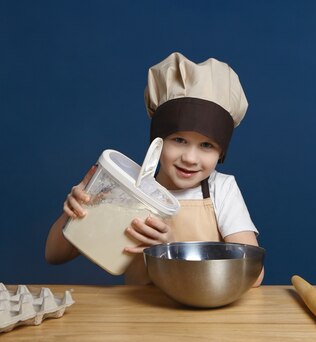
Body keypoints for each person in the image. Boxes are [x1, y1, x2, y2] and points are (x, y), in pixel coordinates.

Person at [45, 52, 264, 286]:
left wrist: (171, 250)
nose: (190, 158)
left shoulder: (221, 190)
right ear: (156, 142)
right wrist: (75, 212)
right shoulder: (127, 189)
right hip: (138, 319)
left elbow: (252, 273)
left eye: (206, 145)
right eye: (178, 140)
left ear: (221, 153)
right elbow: (54, 255)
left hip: (206, 319)